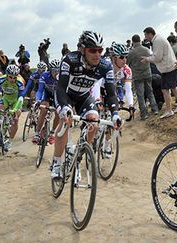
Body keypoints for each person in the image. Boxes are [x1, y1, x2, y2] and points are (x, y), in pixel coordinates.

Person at [51, 31, 121, 178]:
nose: (97, 54)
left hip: (83, 97)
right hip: (65, 94)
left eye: (100, 50)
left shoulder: (105, 65)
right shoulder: (69, 60)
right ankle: (57, 162)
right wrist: (64, 107)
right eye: (92, 50)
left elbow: (111, 93)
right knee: (66, 121)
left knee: (94, 123)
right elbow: (61, 88)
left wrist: (115, 114)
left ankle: (80, 152)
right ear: (83, 50)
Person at [142, 27, 177, 119]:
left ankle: (169, 110)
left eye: (145, 35)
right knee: (173, 87)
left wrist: (147, 59)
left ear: (150, 34)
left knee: (165, 89)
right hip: (170, 66)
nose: (145, 37)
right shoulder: (159, 39)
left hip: (168, 68)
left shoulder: (157, 41)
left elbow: (157, 57)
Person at [0, 64, 25, 151]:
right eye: (11, 77)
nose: (12, 79)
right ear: (7, 75)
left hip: (16, 101)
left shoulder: (20, 82)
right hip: (6, 99)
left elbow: (21, 97)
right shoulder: (0, 79)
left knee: (15, 120)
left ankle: (9, 141)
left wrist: (15, 109)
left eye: (15, 77)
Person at [127, 34, 159, 120]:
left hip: (138, 76)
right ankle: (155, 109)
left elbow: (127, 62)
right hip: (148, 74)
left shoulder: (131, 52)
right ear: (140, 40)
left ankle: (144, 114)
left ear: (133, 42)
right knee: (150, 92)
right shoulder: (147, 50)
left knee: (140, 95)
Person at [32, 59, 60, 144]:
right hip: (47, 94)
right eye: (54, 70)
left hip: (57, 95)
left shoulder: (62, 77)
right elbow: (40, 90)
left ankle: (52, 133)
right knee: (43, 110)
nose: (56, 72)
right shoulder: (45, 75)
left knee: (58, 113)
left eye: (58, 70)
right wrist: (37, 100)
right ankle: (37, 133)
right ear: (50, 70)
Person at [109, 42, 135, 112]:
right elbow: (96, 85)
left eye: (126, 57)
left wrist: (131, 105)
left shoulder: (127, 70)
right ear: (114, 58)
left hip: (111, 88)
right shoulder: (106, 67)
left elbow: (128, 90)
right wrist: (97, 99)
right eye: (121, 57)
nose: (124, 60)